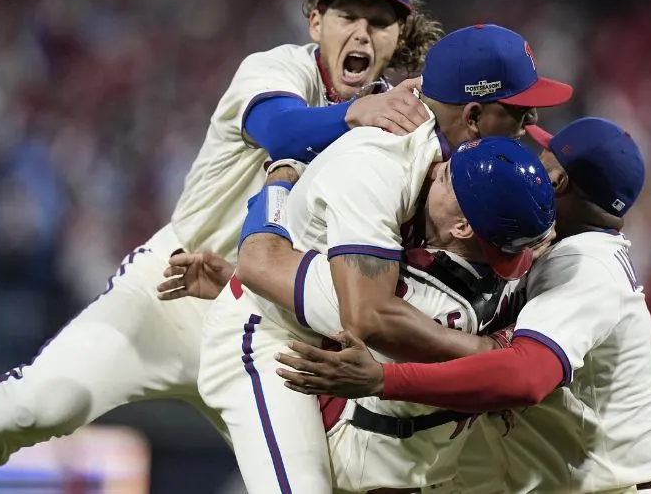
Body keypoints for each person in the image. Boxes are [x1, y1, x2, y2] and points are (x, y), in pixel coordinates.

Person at [0, 0, 444, 494]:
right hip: (170, 293)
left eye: (380, 21)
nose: (361, 31)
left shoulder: (396, 127)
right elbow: (284, 131)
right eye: (347, 14)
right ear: (315, 19)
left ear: (397, 38)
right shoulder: (277, 69)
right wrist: (358, 113)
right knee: (44, 404)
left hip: (270, 328)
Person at [277, 118, 651, 494]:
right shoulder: (545, 249)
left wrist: (384, 380)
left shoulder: (586, 265)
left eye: (544, 155)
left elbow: (526, 376)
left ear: (558, 180)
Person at [198, 120, 558, 493]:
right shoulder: (522, 276)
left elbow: (261, 262)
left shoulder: (408, 298)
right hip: (427, 469)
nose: (435, 171)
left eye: (448, 178)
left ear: (464, 227)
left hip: (361, 468)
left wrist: (280, 179)